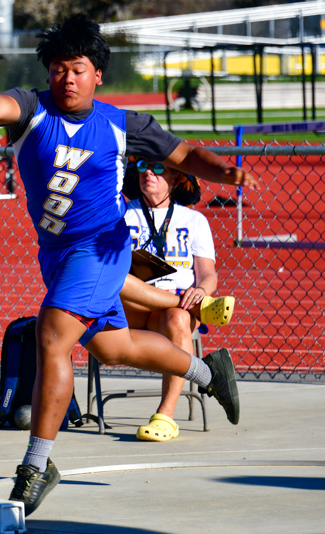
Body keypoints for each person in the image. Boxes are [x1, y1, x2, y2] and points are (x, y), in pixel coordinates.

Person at [0, 14, 258, 517]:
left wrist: (224, 171)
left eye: (77, 69)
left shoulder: (122, 124)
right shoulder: (32, 110)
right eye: (58, 69)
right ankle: (210, 372)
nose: (67, 79)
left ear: (97, 74)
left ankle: (37, 465)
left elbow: (184, 153)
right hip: (56, 253)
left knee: (52, 336)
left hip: (101, 248)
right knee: (115, 348)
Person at [122, 159, 231, 442]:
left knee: (180, 318)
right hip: (132, 306)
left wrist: (203, 291)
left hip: (173, 313)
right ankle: (197, 308)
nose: (149, 172)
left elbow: (207, 274)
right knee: (123, 286)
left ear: (176, 179)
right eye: (143, 166)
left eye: (159, 168)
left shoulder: (194, 220)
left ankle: (165, 417)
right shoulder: (121, 213)